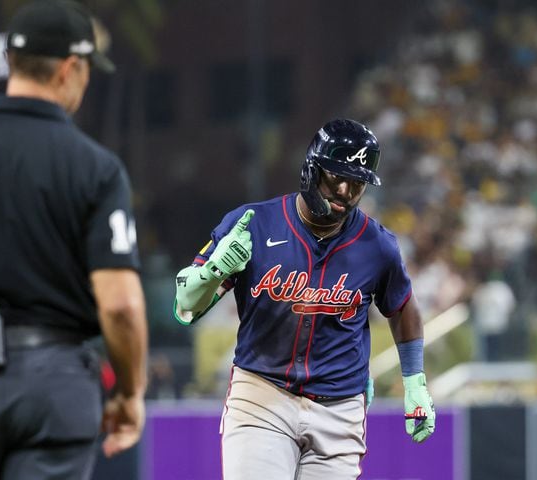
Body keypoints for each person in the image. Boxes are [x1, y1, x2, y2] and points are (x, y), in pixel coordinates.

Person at [175, 119, 435, 479]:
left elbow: (402, 306)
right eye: (336, 177)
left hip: (340, 408)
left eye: (357, 183)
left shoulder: (378, 246)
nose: (345, 190)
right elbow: (185, 308)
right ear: (312, 169)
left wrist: (414, 382)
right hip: (262, 395)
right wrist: (213, 271)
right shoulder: (252, 224)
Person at [0, 1, 148, 479]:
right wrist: (129, 392)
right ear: (69, 68)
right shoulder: (96, 169)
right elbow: (120, 305)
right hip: (55, 381)